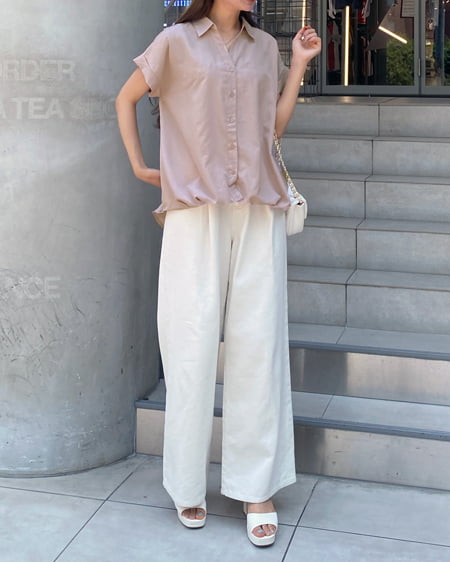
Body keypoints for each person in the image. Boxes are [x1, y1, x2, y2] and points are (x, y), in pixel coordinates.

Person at [115, 0, 321, 547]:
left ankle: (257, 488)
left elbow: (273, 129)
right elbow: (126, 98)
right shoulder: (175, 42)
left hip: (258, 207)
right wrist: (140, 166)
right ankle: (187, 483)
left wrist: (299, 64)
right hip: (193, 208)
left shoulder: (266, 48)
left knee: (258, 345)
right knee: (189, 343)